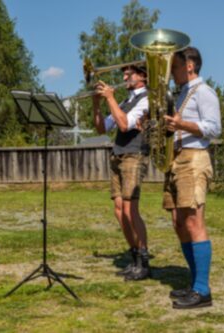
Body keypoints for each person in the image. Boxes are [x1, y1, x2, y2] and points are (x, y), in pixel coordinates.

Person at [163, 47, 221, 309]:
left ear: (190, 66)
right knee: (178, 221)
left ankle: (202, 291)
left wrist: (181, 125)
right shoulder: (183, 93)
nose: (170, 72)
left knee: (194, 220)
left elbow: (214, 128)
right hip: (177, 159)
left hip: (194, 159)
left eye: (174, 67)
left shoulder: (204, 92)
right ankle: (195, 282)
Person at [92, 63, 151, 281]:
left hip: (134, 155)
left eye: (130, 73)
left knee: (129, 209)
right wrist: (96, 104)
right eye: (124, 72)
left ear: (143, 76)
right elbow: (102, 127)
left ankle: (144, 261)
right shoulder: (126, 101)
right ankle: (134, 256)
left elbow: (125, 125)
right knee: (119, 209)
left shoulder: (147, 99)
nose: (125, 76)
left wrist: (109, 98)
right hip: (118, 154)